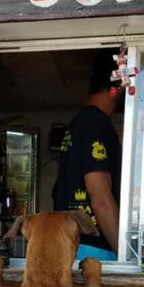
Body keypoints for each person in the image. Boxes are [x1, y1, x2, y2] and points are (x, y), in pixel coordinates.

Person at [54, 50, 123, 262]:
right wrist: (125, 256)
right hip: (94, 253)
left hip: (72, 247)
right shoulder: (95, 125)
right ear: (116, 88)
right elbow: (100, 199)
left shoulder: (78, 124)